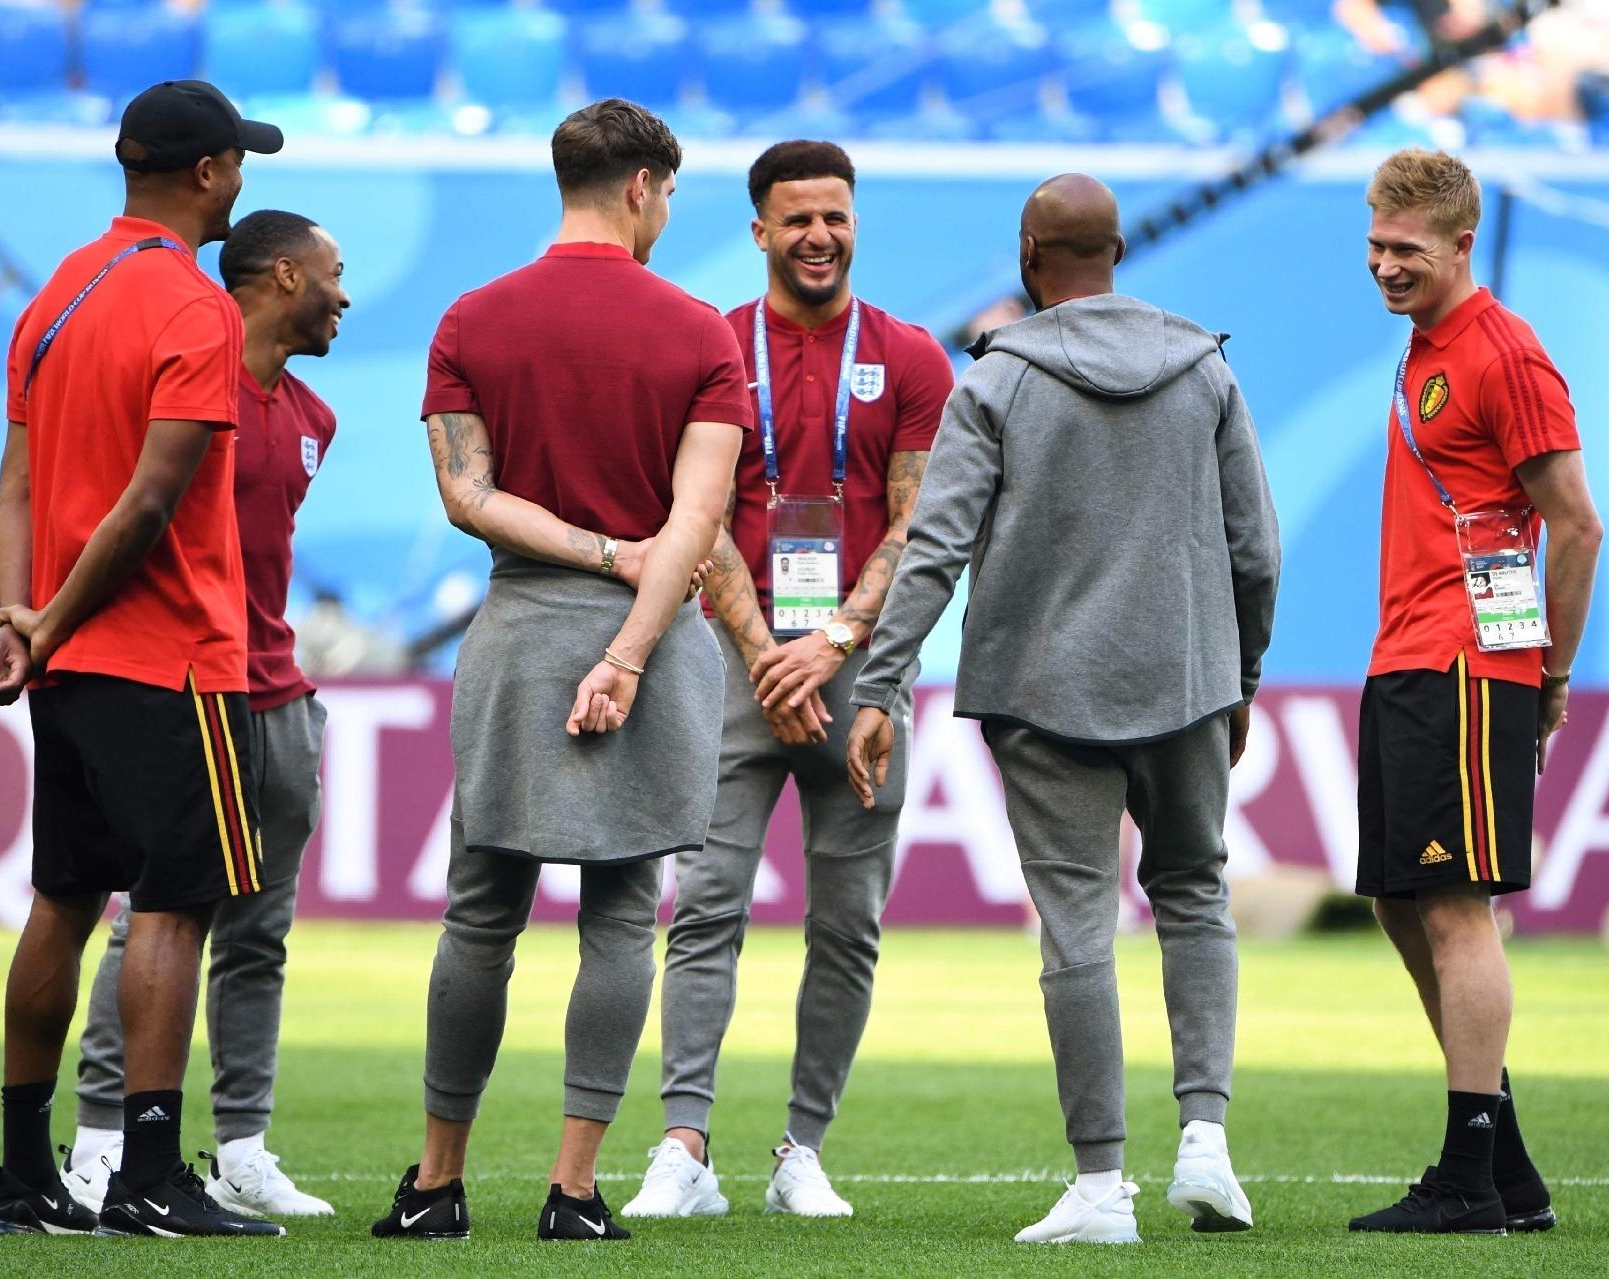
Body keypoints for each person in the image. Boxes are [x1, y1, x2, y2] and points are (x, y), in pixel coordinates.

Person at [845, 174, 1280, 1244]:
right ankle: (1208, 1142)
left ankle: (1101, 1187)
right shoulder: (1206, 370)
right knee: (1194, 894)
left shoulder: (993, 384)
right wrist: (1243, 676)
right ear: (1120, 249)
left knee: (1077, 924)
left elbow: (935, 549)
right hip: (1187, 684)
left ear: (1031, 254)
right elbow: (1255, 550)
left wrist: (882, 684)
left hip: (1044, 696)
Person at [369, 98, 749, 1244]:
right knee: (624, 920)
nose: (668, 212)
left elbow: (466, 494)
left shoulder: (472, 320)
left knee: (480, 914)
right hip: (654, 641)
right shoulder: (699, 333)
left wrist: (586, 555)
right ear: (642, 186)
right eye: (671, 194)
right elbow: (698, 518)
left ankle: (436, 1184)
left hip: (517, 636)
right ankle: (574, 1192)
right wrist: (630, 646)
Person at [0, 79, 286, 1238]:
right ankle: (152, 1174)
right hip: (173, 658)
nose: (242, 178)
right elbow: (153, 501)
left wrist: (22, 613)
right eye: (238, 161)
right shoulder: (194, 309)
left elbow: (13, 484)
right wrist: (48, 620)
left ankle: (19, 1175)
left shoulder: (54, 293)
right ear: (208, 174)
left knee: (62, 897)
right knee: (175, 902)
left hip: (69, 660)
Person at [623, 140, 953, 1221]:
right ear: (760, 229)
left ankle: (801, 1148)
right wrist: (766, 650)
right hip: (726, 666)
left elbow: (919, 522)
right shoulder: (706, 346)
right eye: (797, 218)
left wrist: (840, 641)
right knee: (706, 906)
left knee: (847, 923)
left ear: (856, 225)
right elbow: (694, 510)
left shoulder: (909, 359)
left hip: (858, 681)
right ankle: (683, 1145)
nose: (820, 236)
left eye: (836, 218)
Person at [57, 210, 351, 1222]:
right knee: (154, 915)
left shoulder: (316, 417)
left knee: (258, 935)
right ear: (282, 277)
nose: (344, 296)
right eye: (332, 275)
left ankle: (243, 1147)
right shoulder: (191, 377)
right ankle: (99, 1140)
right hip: (188, 689)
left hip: (279, 695)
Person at [1348, 148, 1602, 1234]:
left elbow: (1578, 522)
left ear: (1462, 244)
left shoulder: (1504, 353)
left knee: (1455, 907)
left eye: (1406, 250)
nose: (1386, 267)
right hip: (1407, 654)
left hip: (1467, 663)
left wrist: (1548, 678)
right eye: (1375, 247)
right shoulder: (1425, 348)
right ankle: (1508, 1169)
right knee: (1400, 899)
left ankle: (1467, 1175)